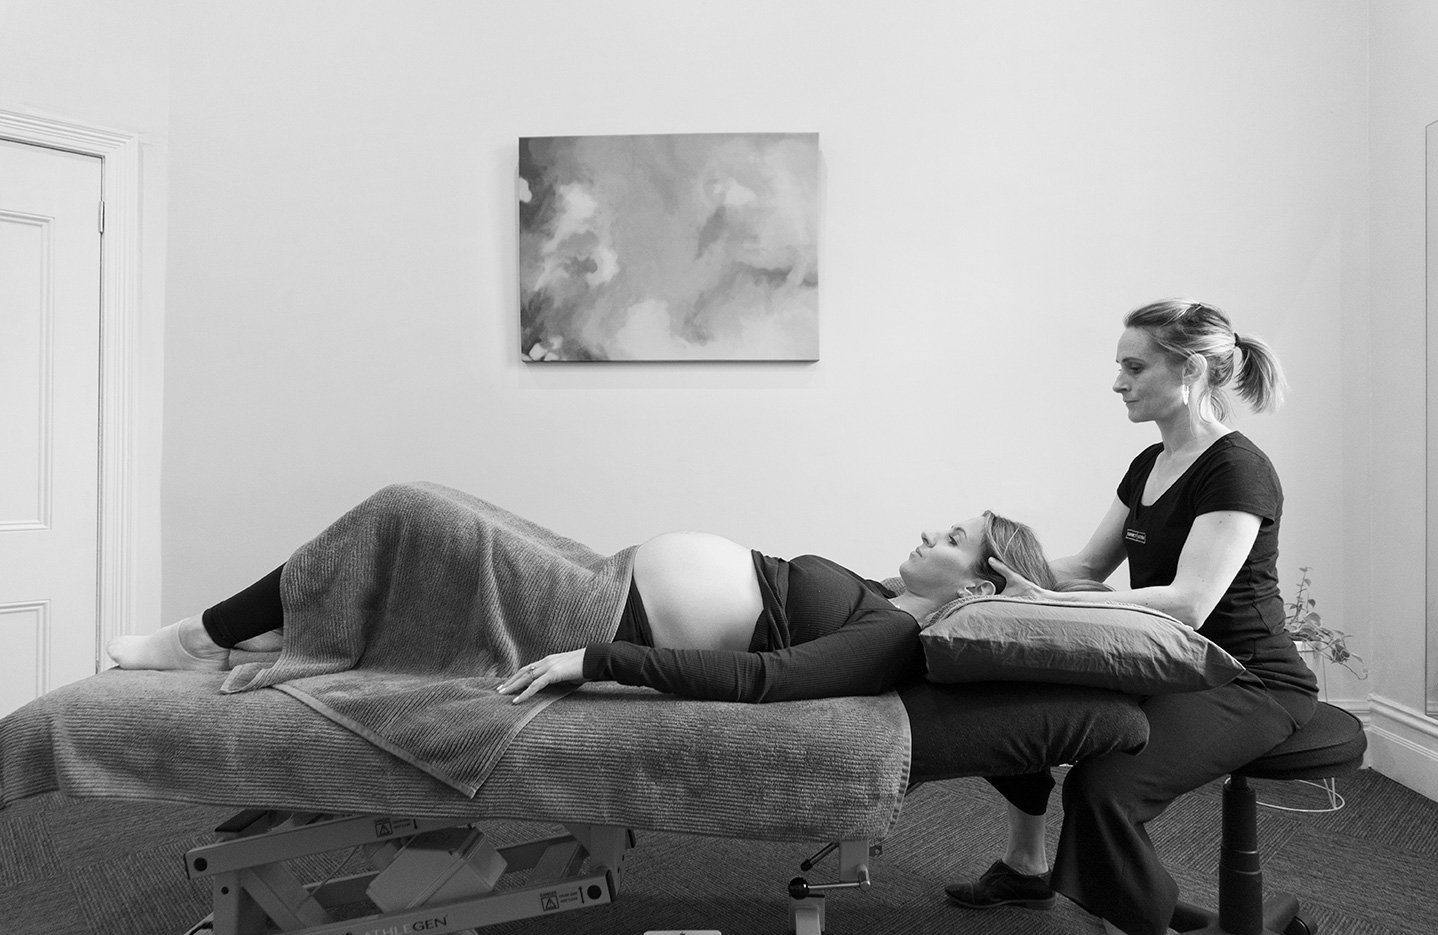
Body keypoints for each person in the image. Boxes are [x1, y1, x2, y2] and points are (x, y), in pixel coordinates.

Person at [944, 300, 1319, 935]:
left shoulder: (1237, 470)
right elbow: (1087, 567)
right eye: (1120, 366)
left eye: (1134, 367)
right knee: (1005, 703)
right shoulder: (1149, 463)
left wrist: (1049, 606)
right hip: (1168, 658)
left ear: (1192, 370)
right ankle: (1026, 867)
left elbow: (1188, 602)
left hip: (1247, 679)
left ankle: (1150, 922)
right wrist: (980, 577)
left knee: (1102, 791)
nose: (1118, 381)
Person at [107, 506, 1059, 704]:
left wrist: (598, 662)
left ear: (980, 584)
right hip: (602, 577)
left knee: (406, 512)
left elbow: (769, 678)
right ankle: (294, 623)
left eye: (956, 538)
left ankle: (197, 637)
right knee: (435, 529)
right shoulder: (883, 595)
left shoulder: (890, 635)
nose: (933, 529)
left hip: (604, 619)